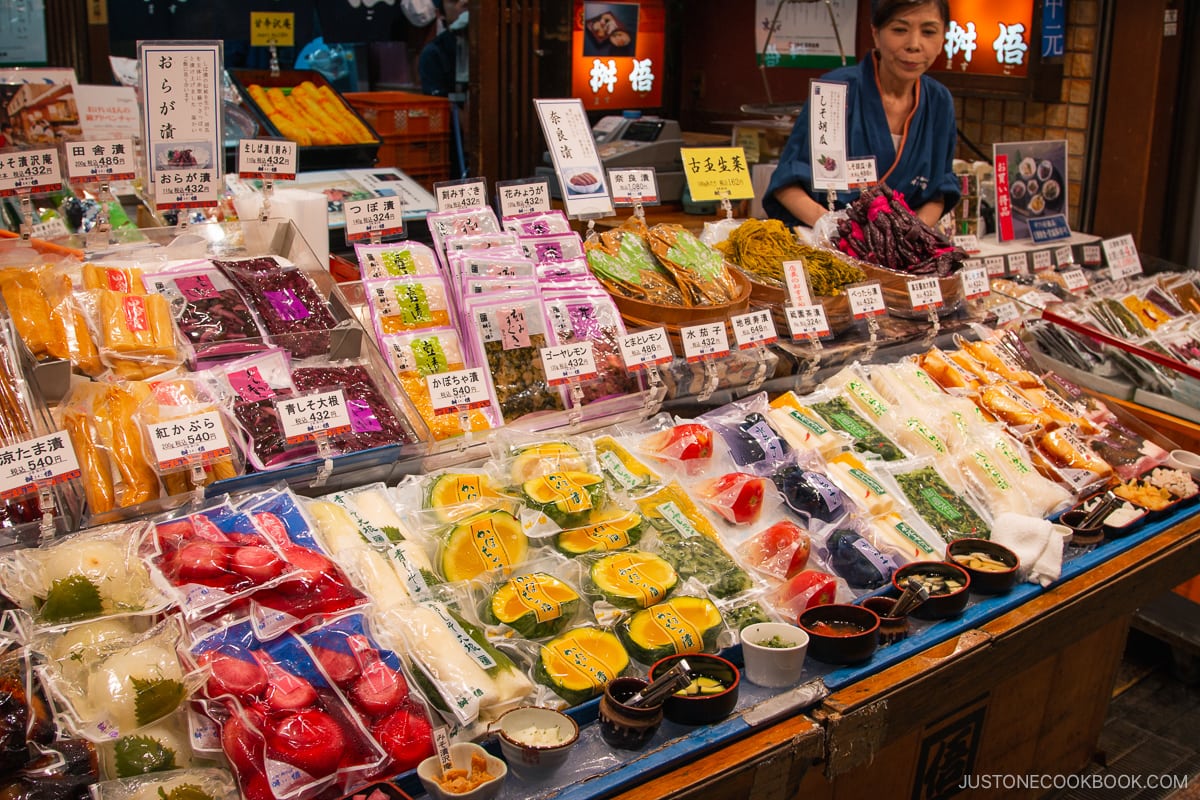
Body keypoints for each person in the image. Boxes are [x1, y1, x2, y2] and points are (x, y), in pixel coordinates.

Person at [765, 0, 960, 230]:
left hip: (899, 255)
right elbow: (786, 184)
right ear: (876, 33)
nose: (914, 45)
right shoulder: (834, 89)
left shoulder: (939, 101)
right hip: (830, 243)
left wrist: (910, 235)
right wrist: (835, 229)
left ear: (943, 38)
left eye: (928, 32)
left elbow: (939, 191)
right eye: (899, 30)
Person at [418, 0, 469, 99]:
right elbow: (437, 101)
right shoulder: (433, 53)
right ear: (440, 14)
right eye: (455, 0)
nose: (465, 2)